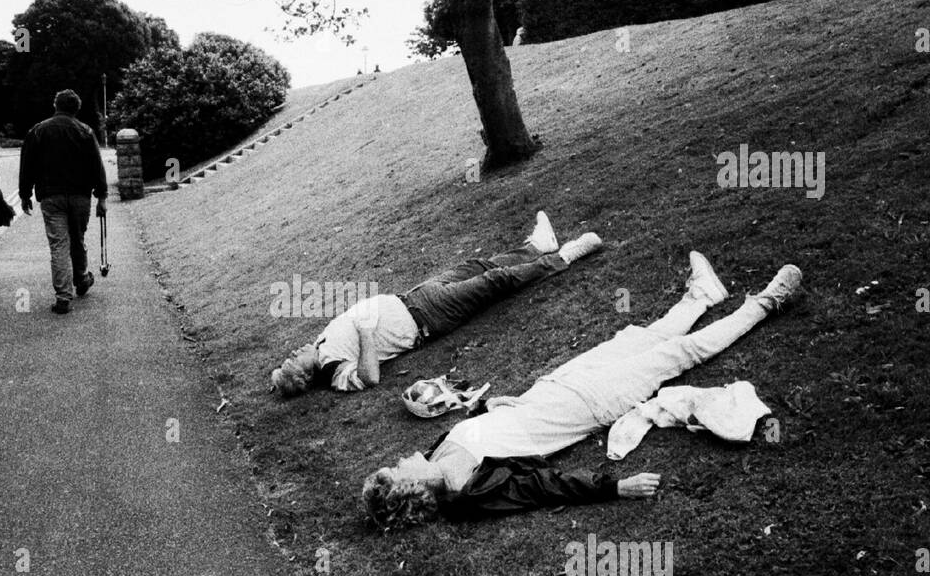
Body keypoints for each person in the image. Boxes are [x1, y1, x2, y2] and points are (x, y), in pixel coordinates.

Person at [362, 254, 803, 527]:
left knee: (636, 339)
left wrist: (490, 408)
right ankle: (767, 302)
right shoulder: (468, 490)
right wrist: (614, 489)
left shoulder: (437, 456)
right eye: (398, 469)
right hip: (590, 403)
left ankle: (702, 296)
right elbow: (543, 486)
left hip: (551, 388)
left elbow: (487, 432)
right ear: (413, 489)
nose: (401, 458)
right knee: (680, 354)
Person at [271, 212, 603, 396]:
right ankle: (565, 256)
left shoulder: (321, 344)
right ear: (303, 374)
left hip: (413, 297)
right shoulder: (332, 370)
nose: (292, 352)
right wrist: (366, 333)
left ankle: (536, 247)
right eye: (291, 360)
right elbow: (370, 378)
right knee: (494, 281)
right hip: (427, 316)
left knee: (477, 266)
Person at [18, 89, 108, 314]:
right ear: (76, 108)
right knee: (77, 239)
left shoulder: (37, 131)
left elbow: (27, 165)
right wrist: (102, 197)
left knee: (59, 245)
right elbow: (97, 166)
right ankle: (81, 279)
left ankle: (63, 296)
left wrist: (25, 193)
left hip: (51, 196)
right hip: (80, 196)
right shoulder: (85, 131)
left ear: (55, 105)